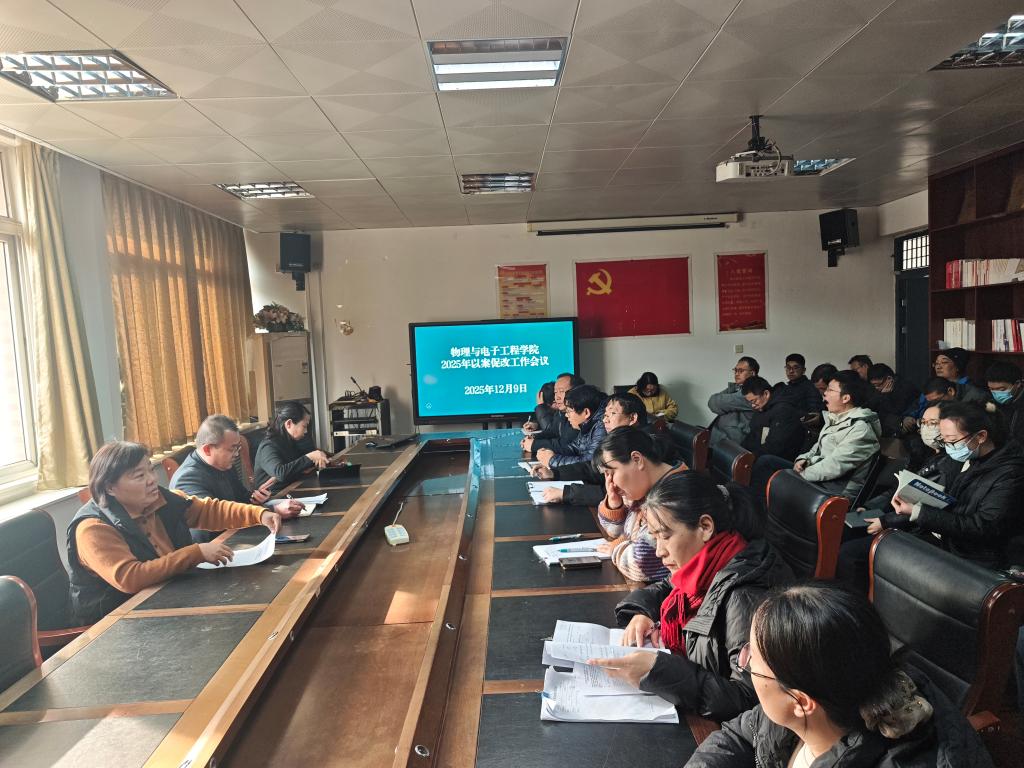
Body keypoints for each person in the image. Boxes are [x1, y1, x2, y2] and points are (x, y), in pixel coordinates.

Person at [685, 583, 993, 768]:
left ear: (801, 702)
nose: (745, 661)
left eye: (752, 660)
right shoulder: (830, 688)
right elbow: (742, 734)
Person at [588, 472, 793, 721]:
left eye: (665, 536)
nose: (659, 551)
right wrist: (642, 612)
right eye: (654, 537)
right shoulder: (709, 564)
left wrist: (660, 672)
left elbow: (749, 700)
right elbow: (666, 587)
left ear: (705, 527)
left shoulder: (745, 596)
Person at [68, 441, 283, 625]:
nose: (152, 479)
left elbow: (207, 510)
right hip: (117, 622)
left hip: (167, 598)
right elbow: (130, 578)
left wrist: (259, 514)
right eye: (139, 476)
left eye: (150, 470)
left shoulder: (158, 499)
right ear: (109, 488)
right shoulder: (93, 528)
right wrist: (195, 553)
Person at [887, 400, 1024, 570]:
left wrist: (919, 512)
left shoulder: (1011, 474)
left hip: (977, 558)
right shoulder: (974, 458)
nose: (948, 448)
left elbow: (984, 527)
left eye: (952, 441)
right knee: (890, 546)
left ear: (981, 436)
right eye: (943, 440)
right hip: (953, 543)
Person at [171, 415, 303, 542]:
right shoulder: (187, 478)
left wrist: (255, 499)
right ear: (207, 449)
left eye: (238, 447)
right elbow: (214, 519)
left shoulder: (224, 464)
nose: (237, 454)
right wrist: (271, 510)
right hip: (214, 545)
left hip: (236, 534)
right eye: (232, 449)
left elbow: (240, 498)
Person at [594, 427, 687, 582]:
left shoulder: (674, 497)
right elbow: (615, 532)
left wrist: (616, 547)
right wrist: (614, 504)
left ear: (637, 459)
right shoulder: (643, 488)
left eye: (611, 473)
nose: (610, 483)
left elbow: (640, 564)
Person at [535, 392, 648, 506]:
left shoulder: (642, 446)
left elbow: (618, 493)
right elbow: (594, 469)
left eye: (612, 413)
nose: (605, 420)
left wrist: (566, 493)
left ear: (632, 418)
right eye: (605, 415)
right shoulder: (623, 439)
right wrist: (554, 473)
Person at [793, 371, 881, 500]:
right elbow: (816, 449)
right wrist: (803, 459)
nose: (825, 393)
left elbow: (834, 467)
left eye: (830, 390)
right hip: (818, 479)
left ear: (845, 398)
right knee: (769, 464)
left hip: (835, 491)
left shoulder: (861, 429)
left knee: (770, 467)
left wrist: (800, 474)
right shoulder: (835, 418)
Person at [253, 401, 330, 494]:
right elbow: (280, 473)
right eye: (304, 426)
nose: (306, 431)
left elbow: (299, 463)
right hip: (273, 497)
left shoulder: (290, 440)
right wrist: (310, 457)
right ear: (289, 424)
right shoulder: (268, 446)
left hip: (291, 490)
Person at [536, 384, 607, 469]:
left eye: (569, 411)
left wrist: (552, 460)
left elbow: (590, 463)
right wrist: (547, 453)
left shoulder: (602, 426)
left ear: (586, 412)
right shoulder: (588, 423)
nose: (566, 415)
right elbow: (574, 448)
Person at [740, 376, 806, 461]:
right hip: (763, 454)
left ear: (766, 394)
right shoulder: (762, 407)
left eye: (754, 401)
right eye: (750, 402)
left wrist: (749, 458)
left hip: (781, 460)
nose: (752, 405)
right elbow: (752, 435)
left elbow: (775, 447)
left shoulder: (783, 410)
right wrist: (740, 453)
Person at [521, 372, 583, 455]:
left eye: (561, 391)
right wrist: (533, 438)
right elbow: (553, 431)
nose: (557, 397)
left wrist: (534, 445)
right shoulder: (561, 412)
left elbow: (567, 444)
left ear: (577, 391)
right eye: (555, 392)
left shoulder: (579, 414)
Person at [708, 357, 759, 446]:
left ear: (752, 373)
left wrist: (725, 405)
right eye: (735, 370)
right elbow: (711, 402)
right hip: (721, 436)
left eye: (740, 371)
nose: (736, 374)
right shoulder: (736, 387)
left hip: (736, 442)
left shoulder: (754, 391)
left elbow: (718, 403)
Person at [866, 363, 919, 437]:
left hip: (907, 423)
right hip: (888, 426)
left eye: (878, 385)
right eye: (873, 385)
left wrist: (885, 396)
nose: (876, 388)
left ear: (889, 379)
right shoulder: (874, 389)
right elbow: (872, 409)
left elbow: (897, 411)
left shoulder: (905, 388)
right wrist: (883, 396)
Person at [985, 360, 1024, 444]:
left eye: (1001, 389)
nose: (996, 394)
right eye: (991, 389)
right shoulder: (990, 403)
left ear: (1017, 384)